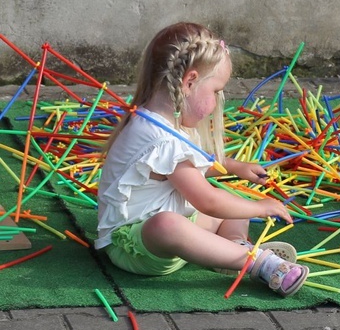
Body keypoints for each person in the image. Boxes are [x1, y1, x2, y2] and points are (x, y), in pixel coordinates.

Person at [95, 22, 309, 297]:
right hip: (135, 247)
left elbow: (192, 169)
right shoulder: (161, 139)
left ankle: (234, 246)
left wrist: (234, 167)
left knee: (222, 205)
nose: (218, 100)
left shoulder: (162, 120)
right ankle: (256, 262)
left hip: (172, 229)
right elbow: (205, 200)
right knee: (172, 223)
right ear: (190, 82)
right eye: (216, 90)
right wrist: (260, 207)